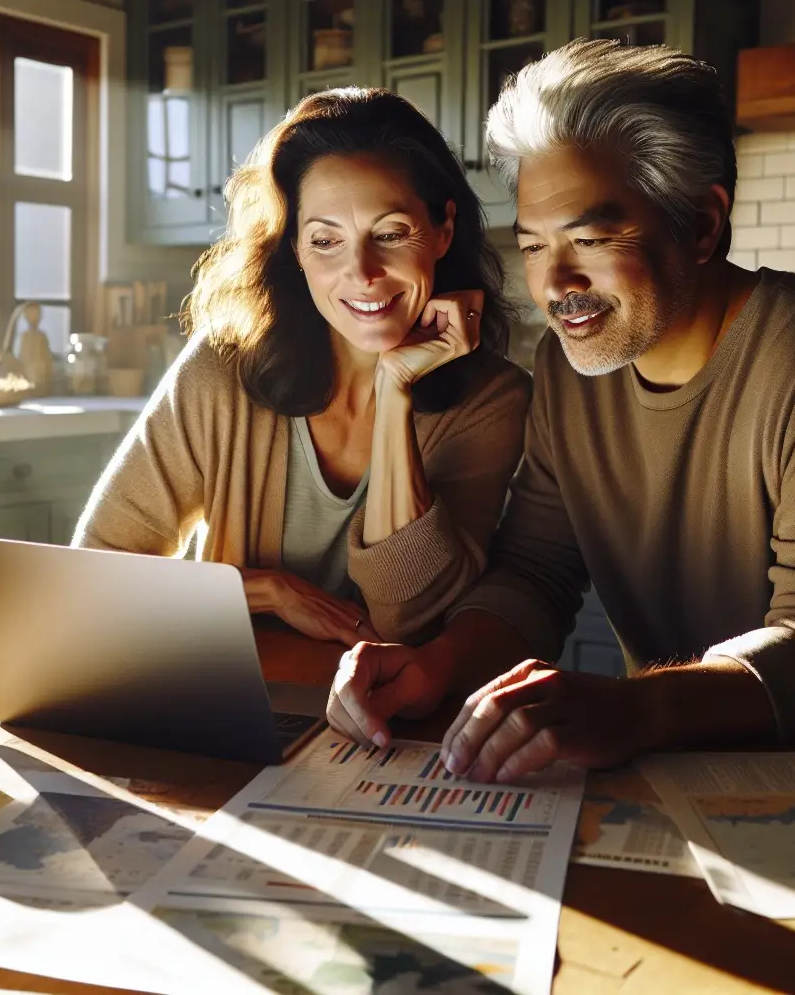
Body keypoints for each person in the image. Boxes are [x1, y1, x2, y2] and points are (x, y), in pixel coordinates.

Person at [325, 40, 795, 780]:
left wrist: (635, 708)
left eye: (590, 238)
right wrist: (437, 664)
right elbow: (537, 571)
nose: (557, 284)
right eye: (534, 246)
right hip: (698, 774)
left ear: (703, 225)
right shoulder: (569, 366)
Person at [74, 88, 531, 648]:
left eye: (389, 234)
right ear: (294, 249)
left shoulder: (494, 401)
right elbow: (94, 572)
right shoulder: (223, 369)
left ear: (442, 230)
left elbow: (408, 621)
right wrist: (269, 592)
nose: (361, 272)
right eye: (325, 240)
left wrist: (395, 392)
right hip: (225, 695)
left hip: (395, 720)